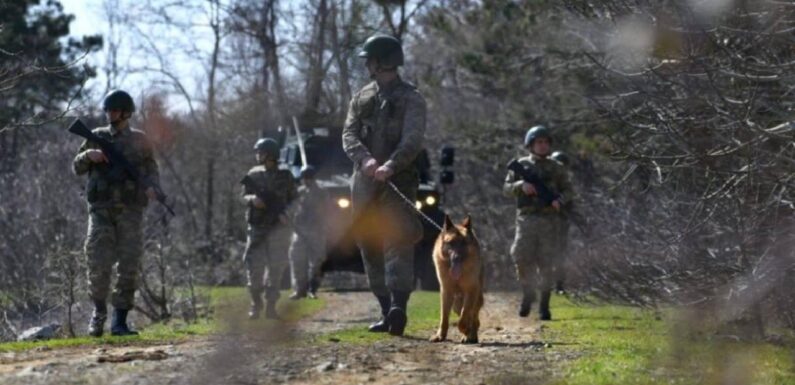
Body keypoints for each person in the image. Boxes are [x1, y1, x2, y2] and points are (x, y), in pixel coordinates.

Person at [342, 34, 426, 336]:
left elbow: (413, 139)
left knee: (398, 240)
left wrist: (391, 165)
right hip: (364, 183)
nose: (367, 64)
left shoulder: (412, 98)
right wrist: (365, 161)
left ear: (382, 61)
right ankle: (384, 309)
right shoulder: (361, 97)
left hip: (398, 181)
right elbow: (348, 135)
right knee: (368, 243)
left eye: (370, 59)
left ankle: (398, 308)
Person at [73, 90, 159, 336]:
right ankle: (98, 314)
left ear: (126, 112)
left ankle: (119, 321)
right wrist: (88, 155)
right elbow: (76, 167)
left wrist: (153, 188)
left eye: (115, 110)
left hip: (131, 212)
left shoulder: (141, 140)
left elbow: (152, 170)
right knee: (98, 264)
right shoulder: (96, 136)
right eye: (108, 110)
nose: (110, 114)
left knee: (129, 266)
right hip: (101, 211)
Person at [503, 126, 572, 321]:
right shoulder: (521, 165)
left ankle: (544, 305)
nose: (542, 146)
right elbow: (506, 189)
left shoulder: (557, 168)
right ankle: (528, 292)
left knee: (547, 263)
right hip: (526, 219)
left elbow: (569, 190)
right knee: (521, 256)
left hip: (550, 220)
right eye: (538, 142)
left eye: (545, 142)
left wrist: (560, 200)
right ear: (531, 145)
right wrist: (520, 186)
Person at [240, 138, 297, 319]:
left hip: (278, 229)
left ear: (269, 154)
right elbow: (243, 195)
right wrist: (252, 200)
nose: (257, 155)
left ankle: (271, 306)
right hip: (257, 227)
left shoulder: (285, 175)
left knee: (276, 268)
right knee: (254, 267)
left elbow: (294, 200)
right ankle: (255, 304)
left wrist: (286, 214)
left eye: (260, 152)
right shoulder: (253, 174)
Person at [288, 166, 329, 300]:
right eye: (304, 178)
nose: (306, 181)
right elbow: (292, 208)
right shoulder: (299, 192)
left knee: (316, 262)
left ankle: (313, 289)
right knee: (297, 260)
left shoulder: (321, 192)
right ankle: (299, 290)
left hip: (316, 231)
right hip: (299, 231)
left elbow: (327, 210)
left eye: (309, 178)